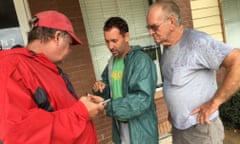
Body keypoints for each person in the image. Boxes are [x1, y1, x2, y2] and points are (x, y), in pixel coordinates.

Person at [0, 10, 105, 144]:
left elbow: (54, 108)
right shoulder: (11, 67)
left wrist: (84, 105)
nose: (70, 50)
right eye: (70, 44)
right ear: (57, 37)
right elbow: (18, 135)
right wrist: (80, 112)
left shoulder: (44, 66)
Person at [146, 1, 240, 144]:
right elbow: (176, 83)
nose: (150, 32)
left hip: (201, 130)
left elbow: (237, 61)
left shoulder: (197, 42)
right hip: (179, 129)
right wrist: (174, 110)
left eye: (154, 27)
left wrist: (215, 102)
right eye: (149, 27)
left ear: (171, 22)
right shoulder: (167, 48)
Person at [92, 17, 159, 144]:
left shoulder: (141, 61)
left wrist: (109, 106)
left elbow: (142, 99)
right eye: (107, 41)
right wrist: (101, 88)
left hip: (140, 130)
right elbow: (108, 89)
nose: (110, 46)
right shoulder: (112, 62)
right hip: (120, 126)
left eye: (114, 41)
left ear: (126, 37)